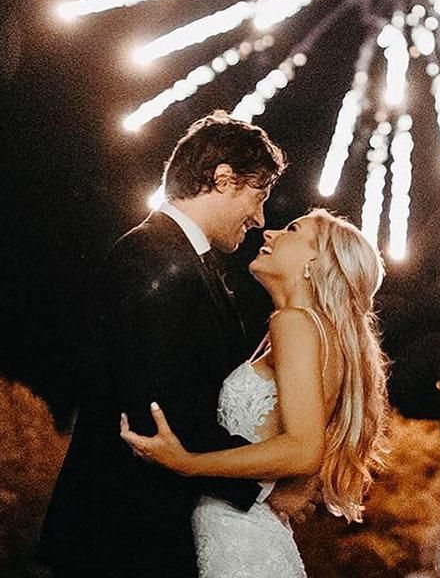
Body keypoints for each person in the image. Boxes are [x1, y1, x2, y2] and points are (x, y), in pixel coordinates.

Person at [39, 110, 315, 578]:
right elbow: (158, 411)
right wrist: (270, 482)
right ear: (223, 179)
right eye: (259, 193)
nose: (260, 217)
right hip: (121, 534)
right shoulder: (152, 259)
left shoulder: (184, 263)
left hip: (151, 528)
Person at [121, 207, 390, 578]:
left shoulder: (294, 324)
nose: (269, 233)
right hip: (255, 537)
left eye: (292, 229)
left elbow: (303, 449)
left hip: (239, 545)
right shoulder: (318, 334)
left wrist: (186, 462)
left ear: (317, 259)